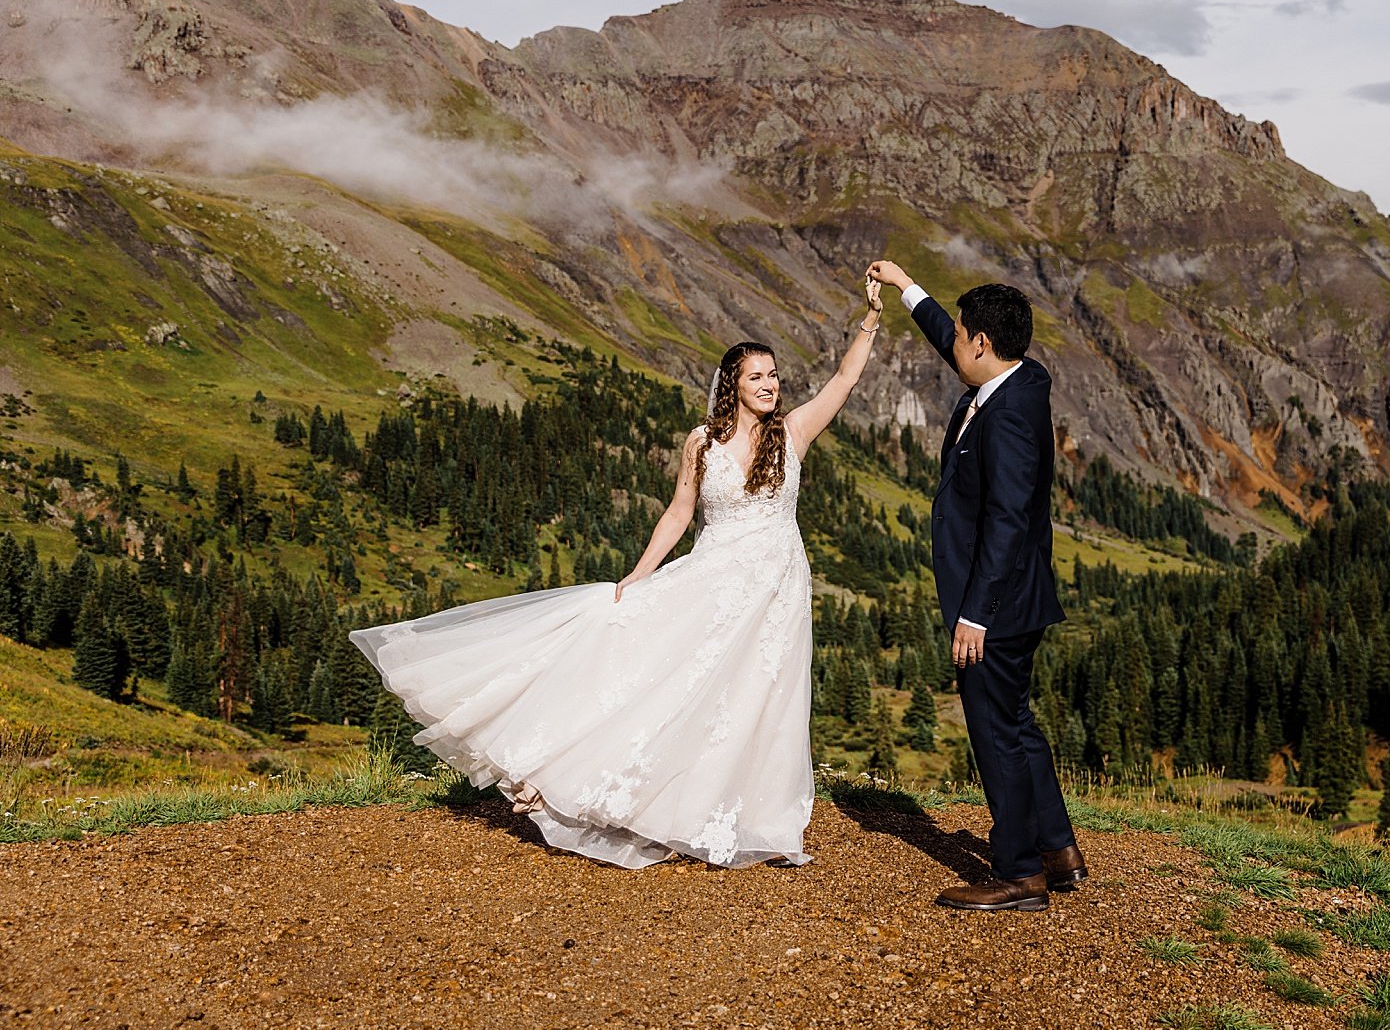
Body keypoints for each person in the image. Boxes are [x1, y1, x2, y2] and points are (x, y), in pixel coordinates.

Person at [348, 278, 886, 868]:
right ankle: (552, 772)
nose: (769, 385)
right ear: (732, 384)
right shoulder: (702, 442)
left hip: (779, 590)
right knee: (661, 679)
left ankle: (716, 808)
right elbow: (680, 512)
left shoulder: (793, 433)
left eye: (774, 376)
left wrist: (870, 320)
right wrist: (639, 575)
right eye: (757, 376)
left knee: (755, 695)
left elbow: (843, 381)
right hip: (716, 581)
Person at [866, 260, 1084, 912]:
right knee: (1015, 722)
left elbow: (1009, 519)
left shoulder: (1010, 415)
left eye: (962, 333)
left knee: (994, 732)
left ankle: (1018, 872)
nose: (954, 339)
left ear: (982, 344)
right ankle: (1059, 849)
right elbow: (948, 336)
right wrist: (908, 287)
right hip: (1016, 599)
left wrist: (977, 614)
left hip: (999, 605)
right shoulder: (1017, 378)